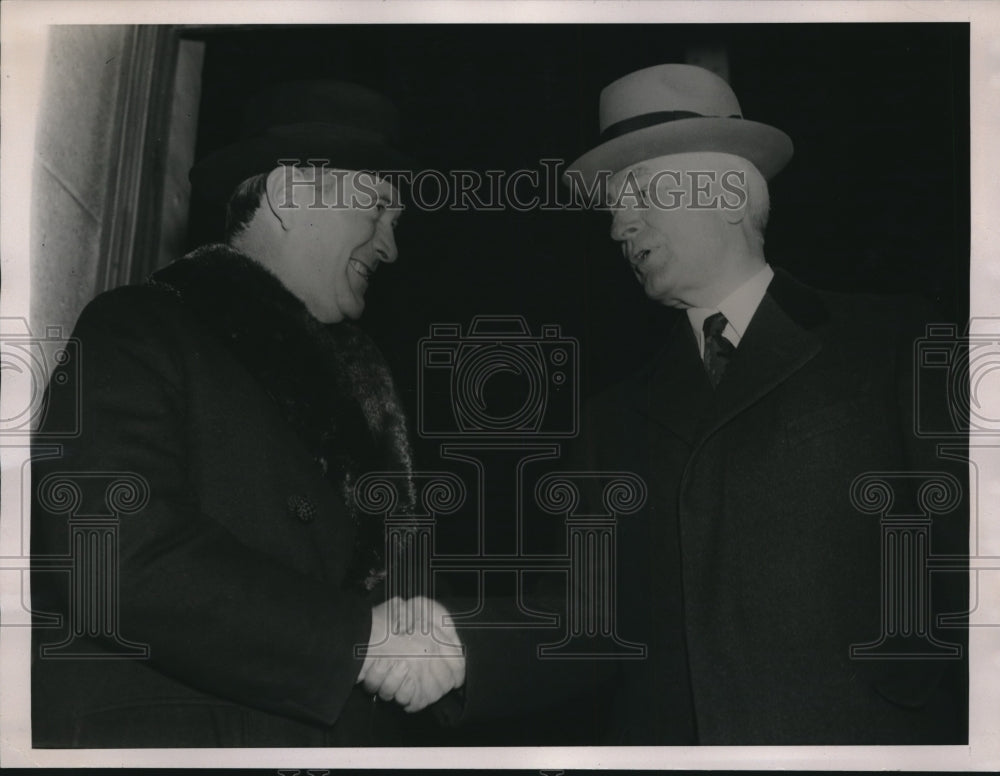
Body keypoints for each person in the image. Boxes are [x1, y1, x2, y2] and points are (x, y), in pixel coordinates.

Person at [454, 63, 968, 745]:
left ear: (728, 194)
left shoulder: (896, 340)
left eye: (638, 192)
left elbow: (970, 557)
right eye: (611, 205)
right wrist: (452, 647)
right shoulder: (611, 420)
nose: (617, 227)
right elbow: (585, 625)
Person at [30, 80, 464, 748]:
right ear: (290, 194)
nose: (391, 247)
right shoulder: (138, 328)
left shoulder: (365, 394)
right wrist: (356, 642)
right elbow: (106, 558)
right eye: (377, 207)